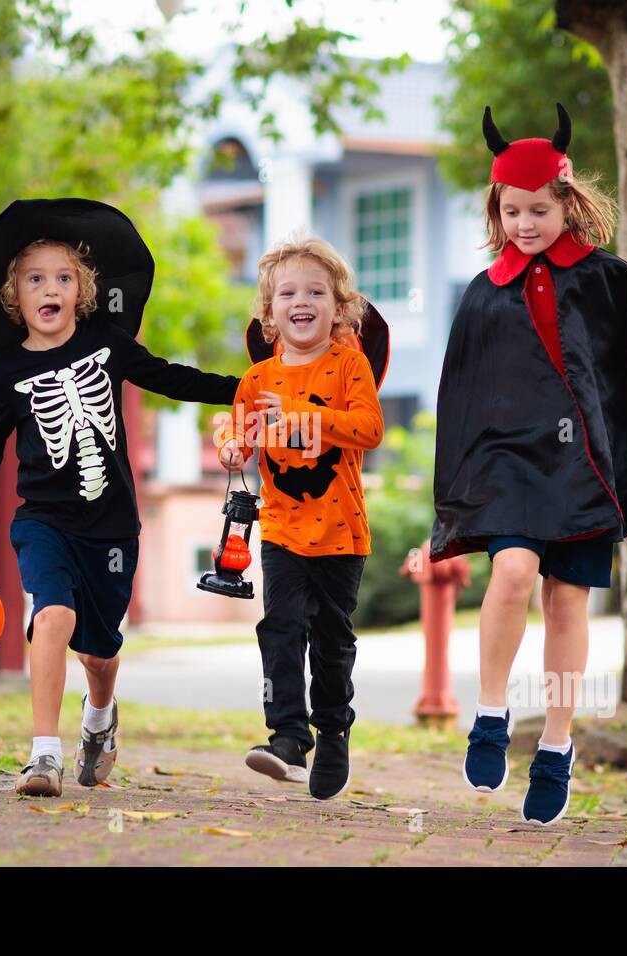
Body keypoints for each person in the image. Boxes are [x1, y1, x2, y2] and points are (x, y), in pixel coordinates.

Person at [431, 105, 627, 825]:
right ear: (497, 209)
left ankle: (556, 745)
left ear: (568, 203)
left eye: (539, 209)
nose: (525, 223)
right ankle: (490, 714)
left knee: (567, 602)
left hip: (587, 467)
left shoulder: (615, 282)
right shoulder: (482, 294)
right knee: (513, 572)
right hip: (509, 466)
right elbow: (460, 397)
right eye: (512, 210)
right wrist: (456, 496)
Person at [0, 199, 239, 798]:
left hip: (112, 529)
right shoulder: (7, 371)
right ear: (14, 299)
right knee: (53, 616)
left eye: (63, 277)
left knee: (100, 653)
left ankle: (99, 718)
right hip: (43, 521)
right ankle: (42, 755)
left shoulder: (108, 342)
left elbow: (172, 377)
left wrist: (245, 388)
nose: (50, 288)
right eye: (34, 279)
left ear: (82, 291)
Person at [215, 236, 387, 800]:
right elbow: (235, 435)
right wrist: (234, 449)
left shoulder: (348, 366)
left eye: (316, 291)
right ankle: (288, 734)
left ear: (339, 307)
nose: (301, 300)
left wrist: (299, 415)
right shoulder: (257, 380)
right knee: (280, 628)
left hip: (342, 532)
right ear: (270, 313)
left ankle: (333, 729)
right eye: (287, 292)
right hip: (283, 528)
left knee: (331, 640)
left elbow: (368, 429)